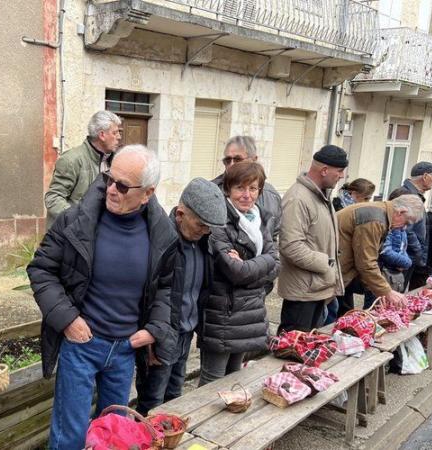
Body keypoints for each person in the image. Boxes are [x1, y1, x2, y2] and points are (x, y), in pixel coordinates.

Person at [27, 145, 178, 450]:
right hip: (82, 345)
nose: (112, 190)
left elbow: (167, 287)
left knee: (115, 436)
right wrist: (68, 319)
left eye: (123, 186)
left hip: (125, 350)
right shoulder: (77, 220)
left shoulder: (162, 232)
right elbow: (41, 269)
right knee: (68, 438)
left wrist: (153, 329)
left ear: (147, 193)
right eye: (109, 179)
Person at [135, 177, 226, 415]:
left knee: (175, 396)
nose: (205, 231)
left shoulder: (204, 242)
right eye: (200, 225)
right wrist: (152, 339)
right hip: (162, 335)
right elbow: (147, 297)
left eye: (209, 227)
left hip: (185, 333)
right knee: (152, 400)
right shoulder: (161, 243)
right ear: (181, 213)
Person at [199, 161, 280, 385]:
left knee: (235, 377)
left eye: (252, 188)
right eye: (240, 188)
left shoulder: (263, 218)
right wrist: (264, 262)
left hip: (250, 312)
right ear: (228, 189)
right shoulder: (219, 221)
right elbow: (236, 272)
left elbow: (276, 264)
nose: (247, 195)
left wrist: (251, 265)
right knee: (212, 381)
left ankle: (227, 421)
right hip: (223, 314)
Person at [278, 145, 347, 332]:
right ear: (324, 170)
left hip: (316, 289)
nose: (342, 176)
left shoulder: (321, 196)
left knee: (307, 349)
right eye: (339, 171)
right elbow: (290, 246)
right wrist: (326, 263)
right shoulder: (298, 198)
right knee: (292, 350)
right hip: (302, 293)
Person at [336, 195, 425, 316]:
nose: (405, 227)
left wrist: (379, 291)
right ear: (400, 212)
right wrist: (386, 291)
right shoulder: (375, 219)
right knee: (326, 318)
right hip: (330, 273)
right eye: (407, 222)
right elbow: (366, 263)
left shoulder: (380, 214)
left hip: (336, 272)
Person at [44, 110, 122, 228]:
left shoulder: (116, 162)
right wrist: (79, 220)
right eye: (115, 133)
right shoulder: (72, 159)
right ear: (102, 135)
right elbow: (53, 198)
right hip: (71, 234)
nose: (119, 137)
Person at [212, 136, 282, 242]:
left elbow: (274, 238)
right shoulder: (211, 192)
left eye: (237, 159)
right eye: (227, 160)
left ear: (254, 160)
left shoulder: (271, 196)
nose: (231, 165)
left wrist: (270, 258)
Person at [392, 161, 432, 290]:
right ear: (425, 176)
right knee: (392, 296)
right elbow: (404, 228)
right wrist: (418, 251)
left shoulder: (414, 194)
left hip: (408, 255)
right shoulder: (407, 194)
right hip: (403, 255)